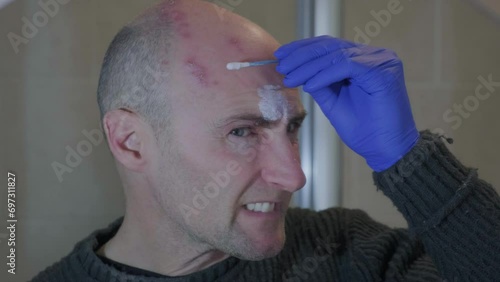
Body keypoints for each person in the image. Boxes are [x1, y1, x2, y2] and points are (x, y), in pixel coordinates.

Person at [32, 0, 500, 281]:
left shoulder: (348, 254)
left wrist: (410, 160)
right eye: (242, 132)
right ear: (131, 142)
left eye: (292, 128)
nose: (294, 175)